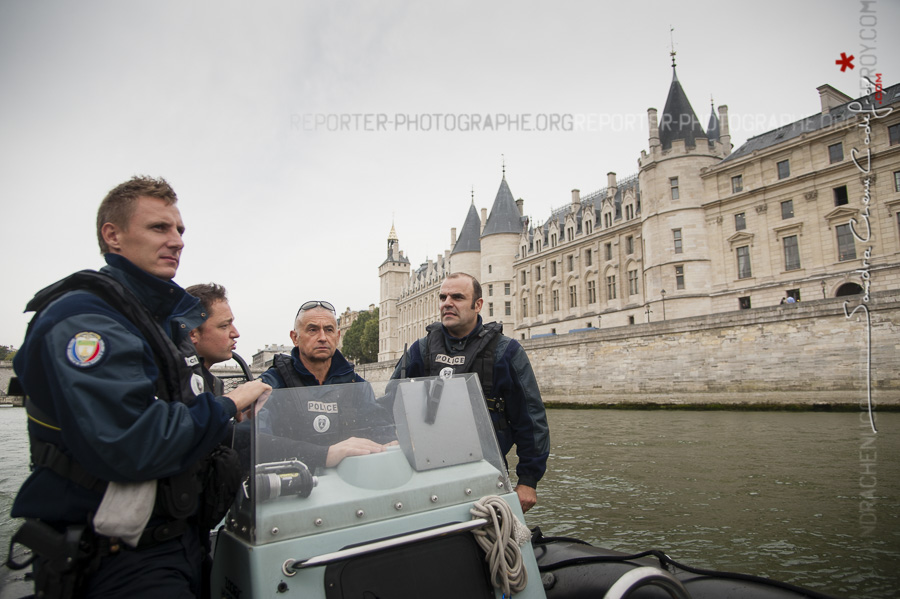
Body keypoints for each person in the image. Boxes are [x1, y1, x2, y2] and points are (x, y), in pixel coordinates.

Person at [8, 176, 270, 599]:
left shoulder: (160, 321)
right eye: (158, 228)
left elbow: (181, 418)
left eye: (180, 230)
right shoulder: (85, 319)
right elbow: (133, 441)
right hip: (117, 558)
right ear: (112, 235)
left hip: (176, 540)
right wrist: (226, 405)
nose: (176, 241)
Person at [389, 272, 549, 513]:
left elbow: (531, 418)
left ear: (478, 305)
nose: (447, 303)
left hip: (485, 471)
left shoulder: (505, 352)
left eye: (457, 297)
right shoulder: (421, 350)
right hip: (426, 470)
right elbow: (390, 402)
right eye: (442, 297)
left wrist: (528, 481)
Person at [258, 300, 394, 470]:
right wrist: (324, 454)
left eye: (328, 330)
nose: (322, 337)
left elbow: (379, 427)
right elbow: (256, 442)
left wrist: (392, 441)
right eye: (312, 330)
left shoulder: (356, 385)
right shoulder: (272, 384)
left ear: (337, 337)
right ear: (295, 338)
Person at [185, 283, 240, 395]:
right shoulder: (179, 386)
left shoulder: (212, 383)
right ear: (192, 334)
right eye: (224, 326)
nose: (236, 333)